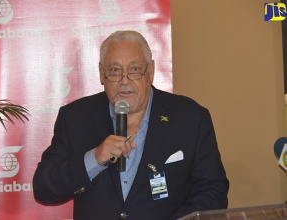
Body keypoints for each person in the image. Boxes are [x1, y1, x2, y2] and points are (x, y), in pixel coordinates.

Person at [33, 30, 229, 220]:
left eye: (134, 69)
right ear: (102, 74)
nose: (124, 80)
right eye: (115, 70)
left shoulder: (190, 118)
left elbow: (213, 191)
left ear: (150, 71)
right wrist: (94, 159)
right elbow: (44, 189)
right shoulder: (75, 117)